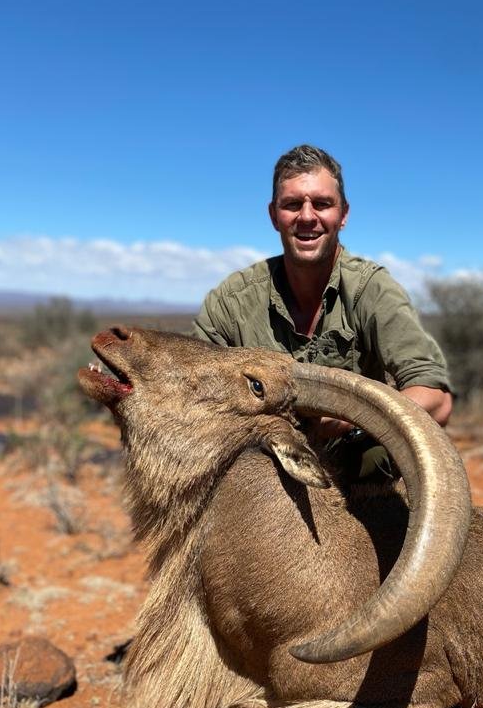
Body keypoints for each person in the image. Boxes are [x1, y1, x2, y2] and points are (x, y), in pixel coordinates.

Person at [192, 145, 453, 475]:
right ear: (274, 216)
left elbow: (435, 397)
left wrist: (346, 416)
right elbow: (191, 390)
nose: (306, 217)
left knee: (382, 464)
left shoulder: (370, 288)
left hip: (353, 462)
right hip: (261, 467)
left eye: (322, 204)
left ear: (343, 214)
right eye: (292, 205)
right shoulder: (233, 300)